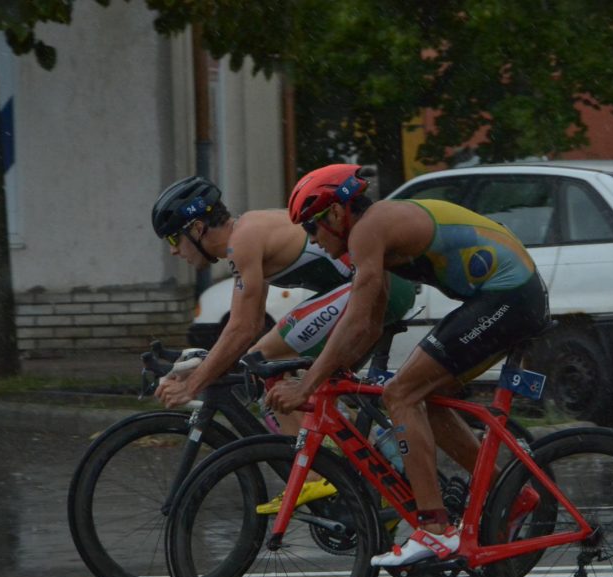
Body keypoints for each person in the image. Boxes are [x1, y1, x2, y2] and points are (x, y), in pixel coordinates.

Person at [265, 163, 551, 567]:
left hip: (509, 296)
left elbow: (354, 318)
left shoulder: (367, 231)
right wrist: (339, 370)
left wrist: (306, 384)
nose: (311, 239)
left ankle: (435, 530)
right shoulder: (374, 234)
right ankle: (512, 493)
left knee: (400, 394)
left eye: (311, 227)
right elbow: (367, 323)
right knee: (423, 396)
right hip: (505, 296)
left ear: (334, 214)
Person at [150, 175, 416, 505]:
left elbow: (244, 331)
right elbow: (239, 327)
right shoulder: (248, 235)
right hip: (380, 288)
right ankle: (373, 475)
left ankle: (320, 478)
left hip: (379, 289)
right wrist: (203, 365)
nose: (174, 250)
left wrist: (193, 386)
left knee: (262, 363)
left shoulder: (244, 240)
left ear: (198, 228)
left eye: (174, 238)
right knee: (286, 373)